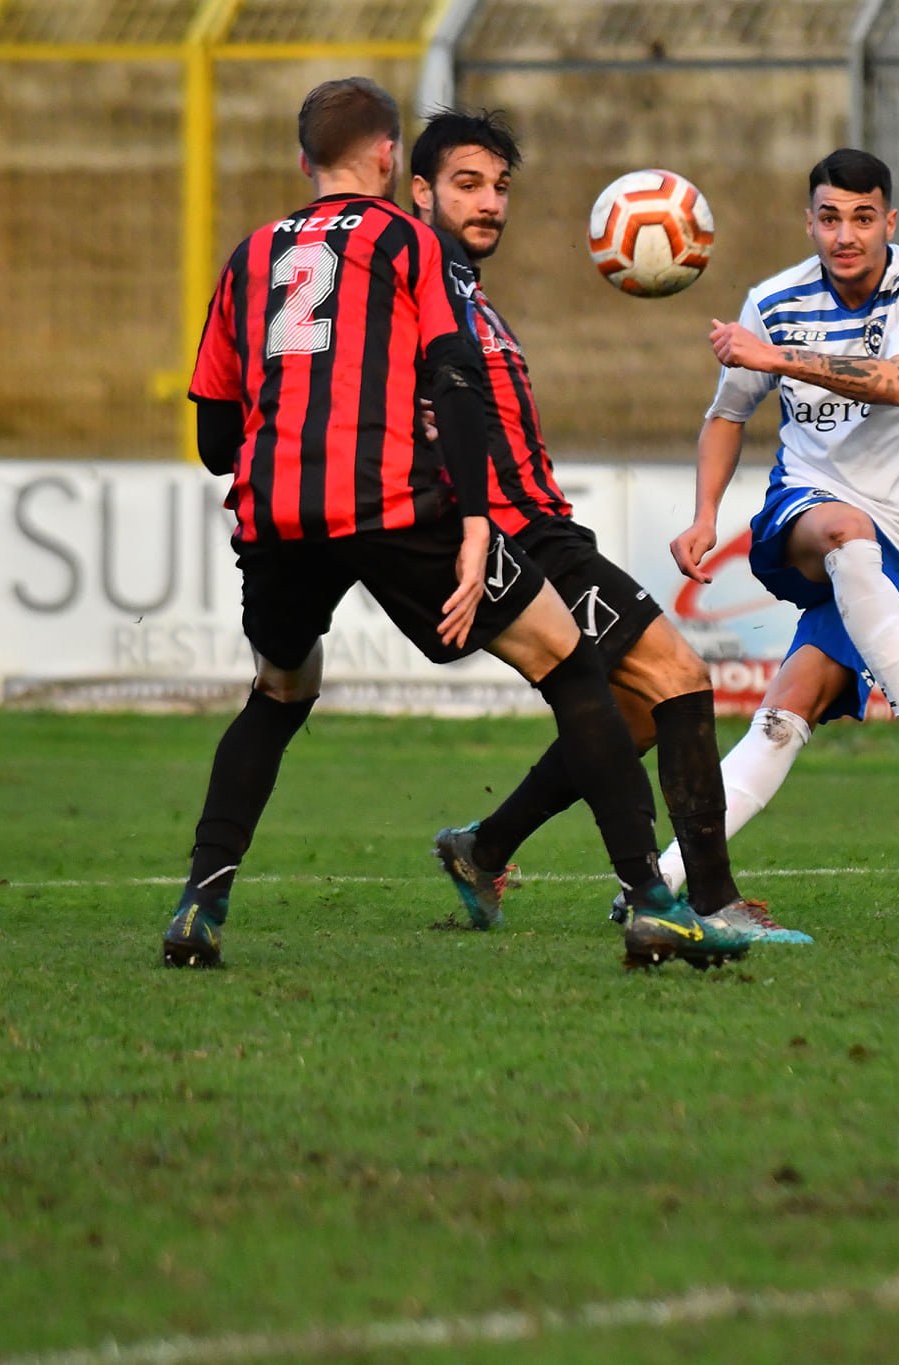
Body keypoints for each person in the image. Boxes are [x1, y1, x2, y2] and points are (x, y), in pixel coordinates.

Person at [164, 78, 749, 972]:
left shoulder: (249, 255)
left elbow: (212, 437)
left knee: (278, 694)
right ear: (395, 163)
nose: (486, 202)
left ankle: (200, 906)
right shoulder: (407, 244)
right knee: (572, 664)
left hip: (276, 512)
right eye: (466, 183)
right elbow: (453, 378)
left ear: (303, 159)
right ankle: (654, 903)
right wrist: (475, 521)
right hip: (397, 501)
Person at [404, 109, 810, 948]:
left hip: (543, 527)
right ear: (419, 190)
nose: (489, 204)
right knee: (680, 676)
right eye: (467, 185)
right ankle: (709, 901)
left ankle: (483, 849)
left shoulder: (466, 289)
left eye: (500, 188)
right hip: (517, 538)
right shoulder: (414, 285)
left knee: (628, 713)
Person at [663, 148, 899, 889]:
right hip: (805, 518)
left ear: (889, 220)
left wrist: (779, 357)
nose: (844, 235)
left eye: (861, 218)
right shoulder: (774, 299)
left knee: (790, 708)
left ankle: (662, 881)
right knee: (845, 527)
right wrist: (703, 516)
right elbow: (726, 415)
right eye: (828, 218)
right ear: (808, 223)